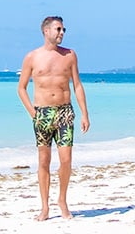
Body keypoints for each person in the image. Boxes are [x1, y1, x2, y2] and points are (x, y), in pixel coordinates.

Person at [17, 15, 90, 220]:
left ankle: (62, 201)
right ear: (46, 31)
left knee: (66, 160)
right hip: (43, 114)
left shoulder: (70, 55)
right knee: (43, 161)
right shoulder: (32, 57)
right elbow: (21, 88)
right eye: (58, 29)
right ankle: (44, 207)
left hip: (65, 112)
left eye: (63, 30)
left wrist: (84, 113)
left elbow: (77, 85)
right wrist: (33, 113)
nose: (62, 33)